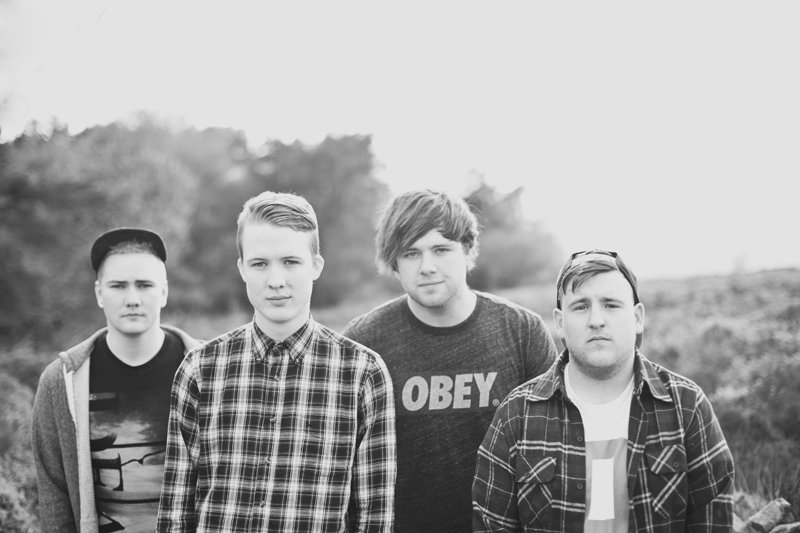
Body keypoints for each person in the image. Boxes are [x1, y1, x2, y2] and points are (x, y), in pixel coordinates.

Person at [157, 191, 396, 532]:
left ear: (315, 267)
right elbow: (175, 512)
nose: (276, 280)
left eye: (290, 262)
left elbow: (374, 515)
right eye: (260, 264)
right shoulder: (199, 370)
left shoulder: (363, 373)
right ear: (242, 268)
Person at [473, 249, 735, 532]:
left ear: (637, 317)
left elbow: (713, 523)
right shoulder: (516, 416)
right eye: (581, 306)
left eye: (611, 304)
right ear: (560, 323)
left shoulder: (686, 406)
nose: (596, 320)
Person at [343, 189, 557, 532]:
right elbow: (343, 463)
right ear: (394, 262)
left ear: (467, 250)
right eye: (411, 253)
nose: (427, 267)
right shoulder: (364, 341)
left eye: (441, 250)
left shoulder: (522, 331)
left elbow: (555, 448)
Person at [31, 227, 200, 533]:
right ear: (99, 293)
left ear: (163, 292)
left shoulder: (211, 371)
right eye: (118, 286)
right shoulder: (60, 382)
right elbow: (54, 495)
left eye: (144, 285)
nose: (132, 299)